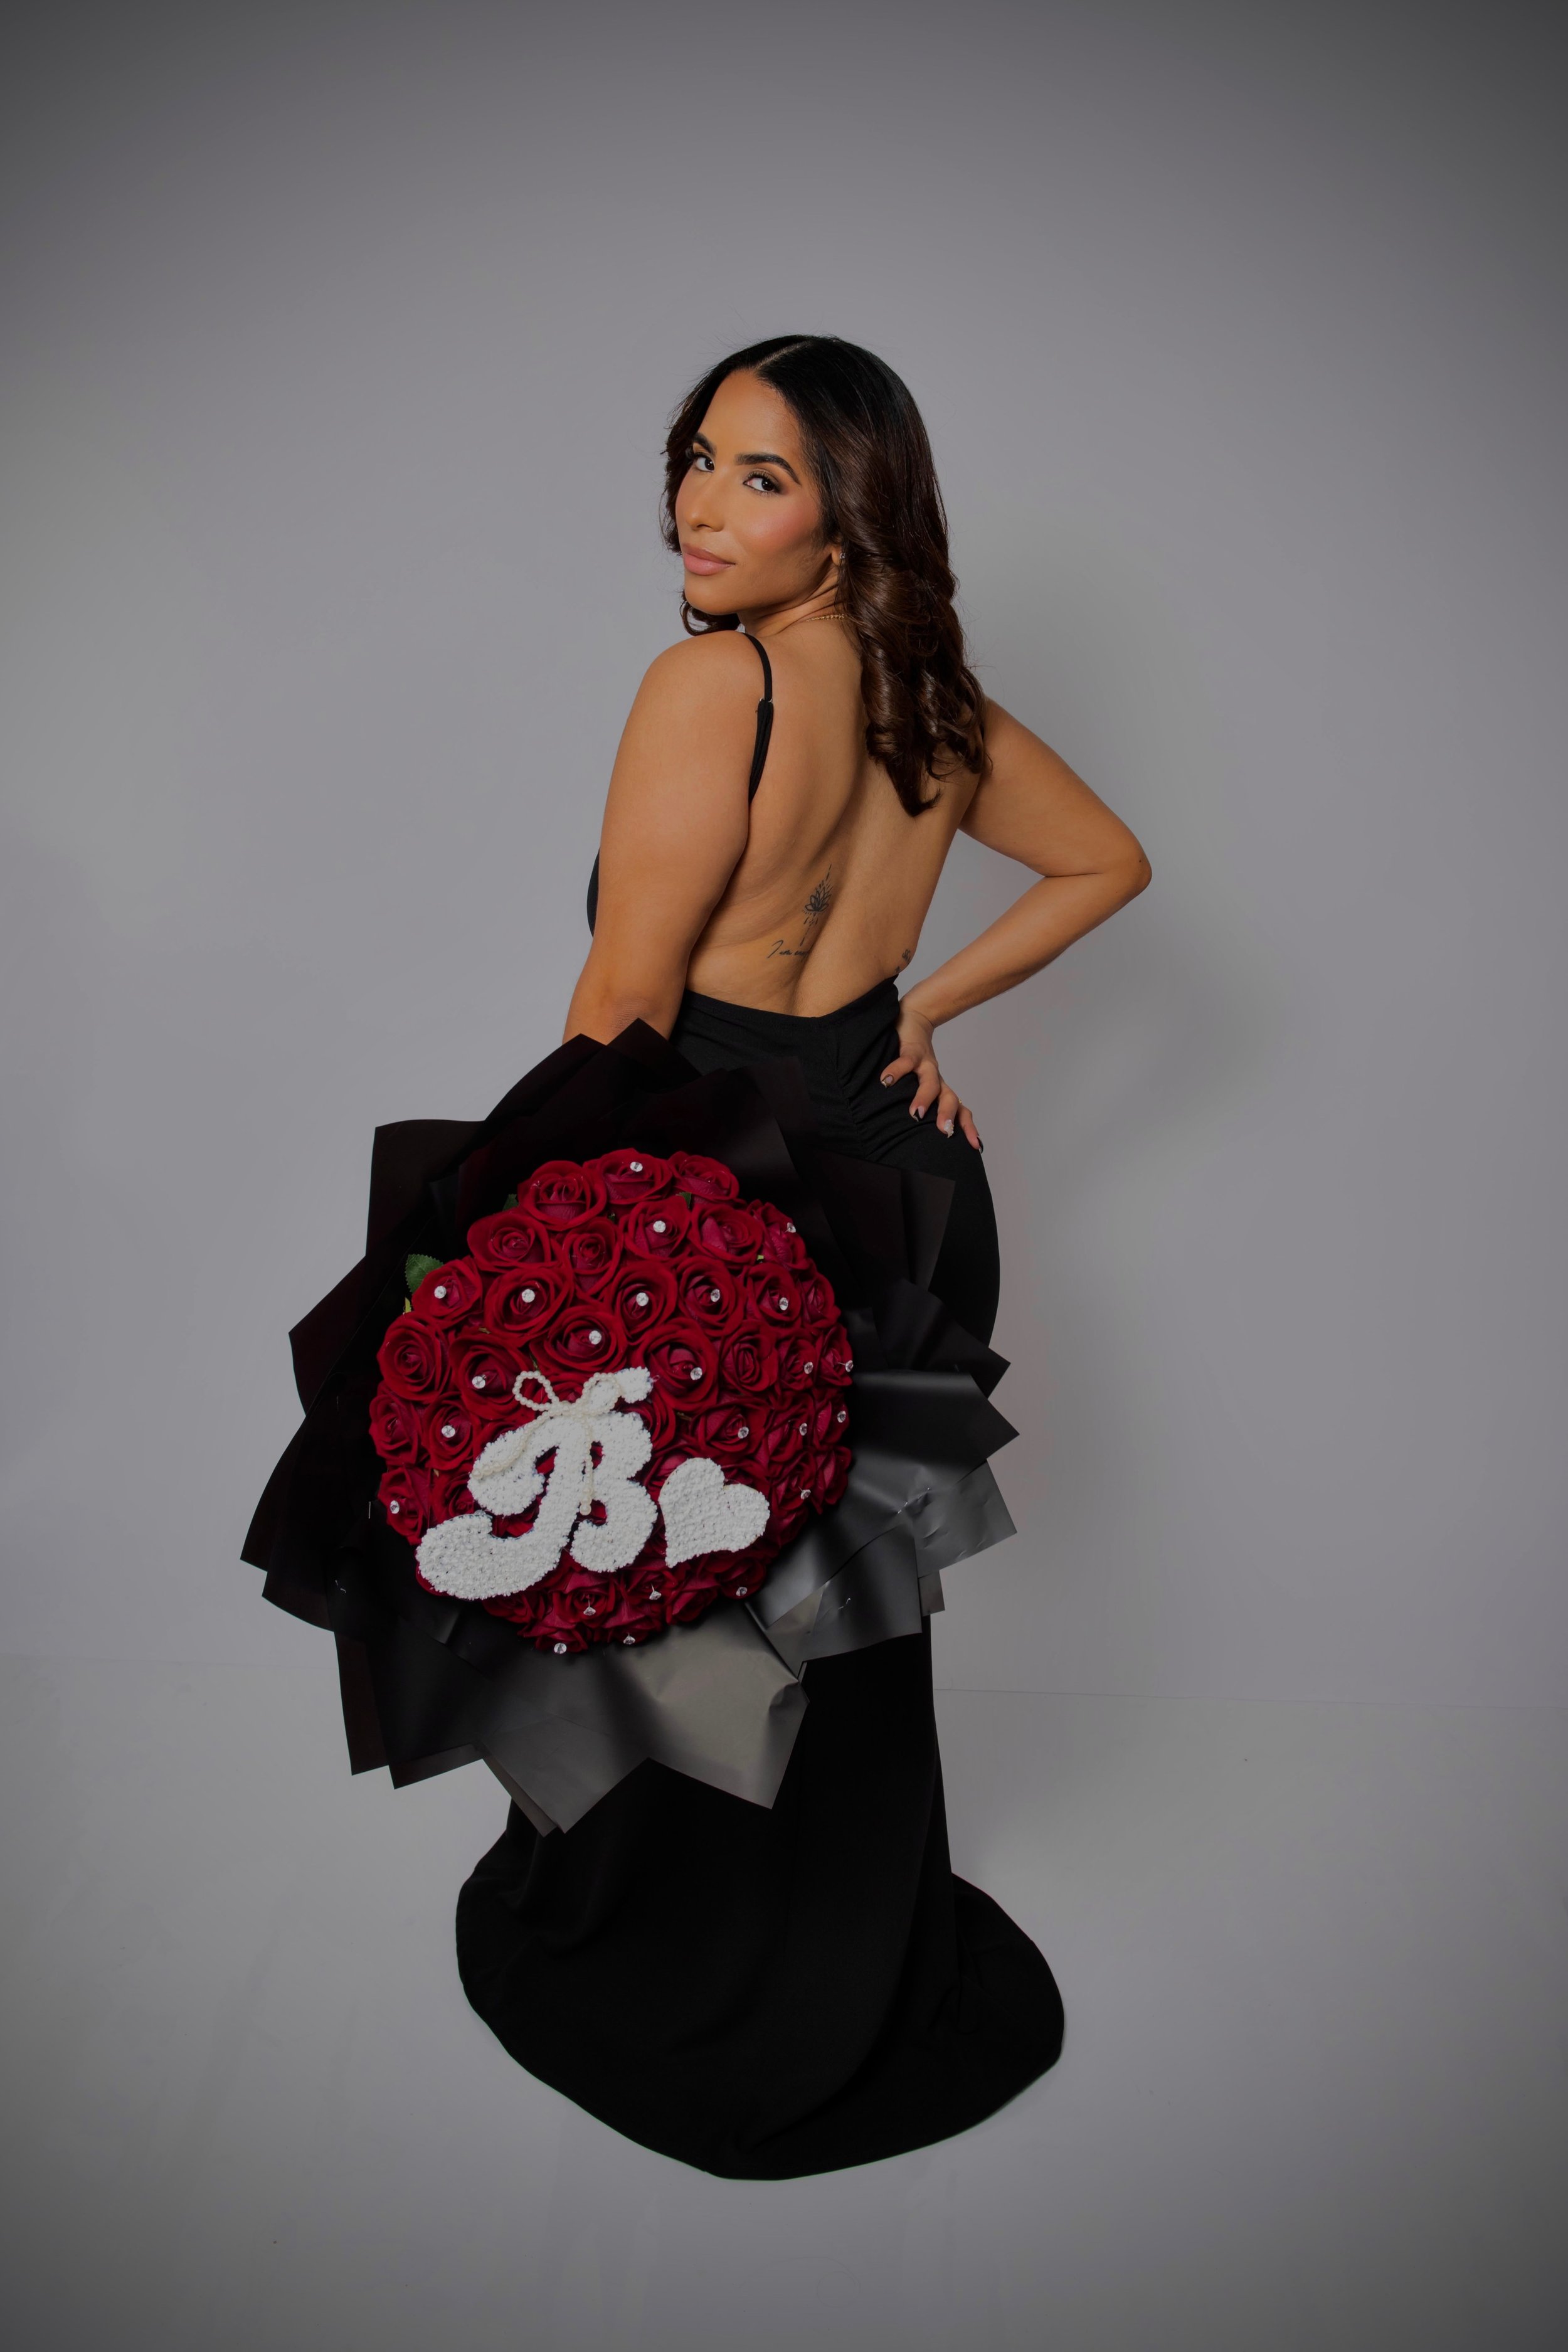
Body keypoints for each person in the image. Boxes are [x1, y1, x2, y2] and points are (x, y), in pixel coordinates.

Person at [455, 334, 1152, 2177]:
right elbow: (1105, 862)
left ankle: (693, 1973)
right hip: (903, 1185)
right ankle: (846, 1956)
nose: (700, 504)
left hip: (719, 1186)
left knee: (674, 1598)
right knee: (844, 1607)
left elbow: (621, 1007)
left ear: (850, 510)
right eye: (697, 457)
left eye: (759, 475)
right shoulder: (934, 701)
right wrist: (919, 1009)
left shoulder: (714, 685)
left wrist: (521, 1243)